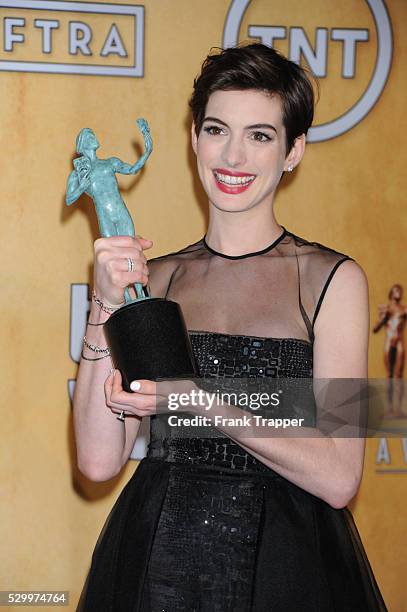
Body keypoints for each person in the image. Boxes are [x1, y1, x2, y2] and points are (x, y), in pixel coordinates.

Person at [75, 43, 387, 611]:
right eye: (217, 130)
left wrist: (194, 398)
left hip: (285, 569)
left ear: (294, 152)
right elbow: (98, 462)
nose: (233, 156)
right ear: (195, 138)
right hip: (156, 561)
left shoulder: (334, 281)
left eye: (260, 136)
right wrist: (104, 303)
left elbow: (341, 477)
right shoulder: (157, 279)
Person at [373, 284, 406, 417]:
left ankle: (398, 409)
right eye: (396, 290)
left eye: (400, 290)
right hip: (388, 342)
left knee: (398, 376)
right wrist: (383, 318)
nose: (399, 292)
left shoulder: (404, 310)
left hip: (399, 343)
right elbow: (375, 328)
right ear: (391, 293)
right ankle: (389, 409)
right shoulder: (386, 309)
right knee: (389, 377)